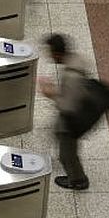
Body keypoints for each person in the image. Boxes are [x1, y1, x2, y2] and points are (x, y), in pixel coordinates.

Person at [38, 34, 90, 190]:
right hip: (75, 113)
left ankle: (78, 180)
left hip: (72, 120)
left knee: (67, 155)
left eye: (50, 53)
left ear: (57, 54)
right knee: (62, 142)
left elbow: (67, 106)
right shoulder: (76, 60)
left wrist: (51, 93)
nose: (49, 56)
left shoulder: (72, 76)